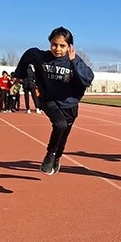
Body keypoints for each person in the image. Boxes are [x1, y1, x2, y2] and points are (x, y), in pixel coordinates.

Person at [13, 26, 95, 175]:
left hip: (70, 104)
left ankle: (56, 157)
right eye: (54, 44)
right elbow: (28, 54)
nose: (57, 49)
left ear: (69, 47)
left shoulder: (75, 61)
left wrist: (74, 61)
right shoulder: (40, 57)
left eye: (62, 46)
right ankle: (50, 154)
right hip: (49, 100)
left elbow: (87, 79)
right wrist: (20, 74)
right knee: (60, 125)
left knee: (63, 135)